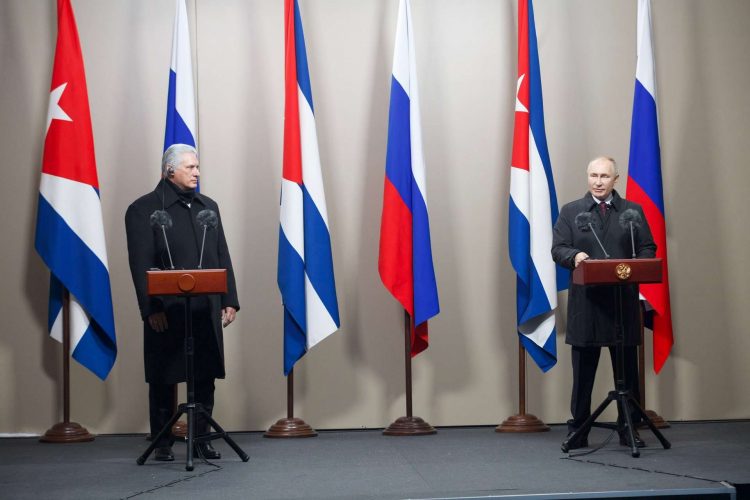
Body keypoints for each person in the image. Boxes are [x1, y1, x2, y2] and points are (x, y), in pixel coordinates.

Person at [125, 144, 239, 461]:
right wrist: (151, 309)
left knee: (204, 375)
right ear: (170, 170)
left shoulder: (208, 208)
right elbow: (140, 265)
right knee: (164, 375)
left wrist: (230, 298)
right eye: (190, 167)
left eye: (197, 167)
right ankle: (162, 441)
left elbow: (222, 256)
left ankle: (202, 437)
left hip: (205, 308)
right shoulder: (143, 209)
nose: (197, 173)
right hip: (168, 310)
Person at [551, 156, 656, 450]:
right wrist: (575, 257)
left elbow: (648, 247)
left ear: (615, 179)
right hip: (587, 304)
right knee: (583, 372)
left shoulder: (632, 211)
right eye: (593, 176)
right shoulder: (571, 211)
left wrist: (640, 264)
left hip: (622, 304)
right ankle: (579, 430)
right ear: (588, 177)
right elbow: (558, 248)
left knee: (627, 372)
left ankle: (628, 429)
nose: (598, 182)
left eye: (604, 177)